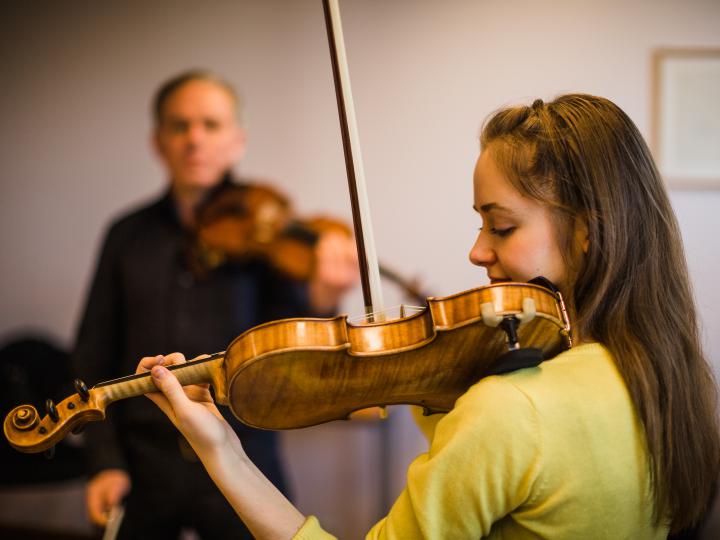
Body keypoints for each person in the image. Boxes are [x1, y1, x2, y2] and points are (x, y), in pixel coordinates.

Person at [136, 94, 720, 538]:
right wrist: (436, 386)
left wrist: (221, 450)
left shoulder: (513, 411)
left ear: (589, 230)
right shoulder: (670, 379)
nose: (477, 251)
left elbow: (508, 439)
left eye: (503, 226)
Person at [72, 70, 358, 540]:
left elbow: (293, 351)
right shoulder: (125, 235)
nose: (195, 139)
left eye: (211, 124)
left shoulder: (270, 232)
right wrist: (103, 463)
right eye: (179, 125)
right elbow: (92, 352)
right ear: (158, 141)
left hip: (244, 459)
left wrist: (326, 294)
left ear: (237, 141)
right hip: (141, 464)